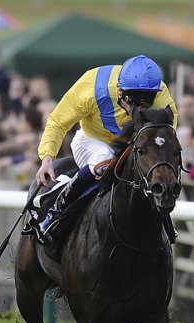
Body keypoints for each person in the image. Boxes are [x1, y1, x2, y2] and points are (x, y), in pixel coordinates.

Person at [35, 55, 178, 245]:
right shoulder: (91, 88)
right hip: (91, 140)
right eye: (135, 100)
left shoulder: (159, 94)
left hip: (132, 144)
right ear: (119, 90)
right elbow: (58, 122)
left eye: (147, 100)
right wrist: (47, 158)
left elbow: (165, 136)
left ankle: (162, 222)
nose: (141, 106)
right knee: (105, 160)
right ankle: (55, 213)